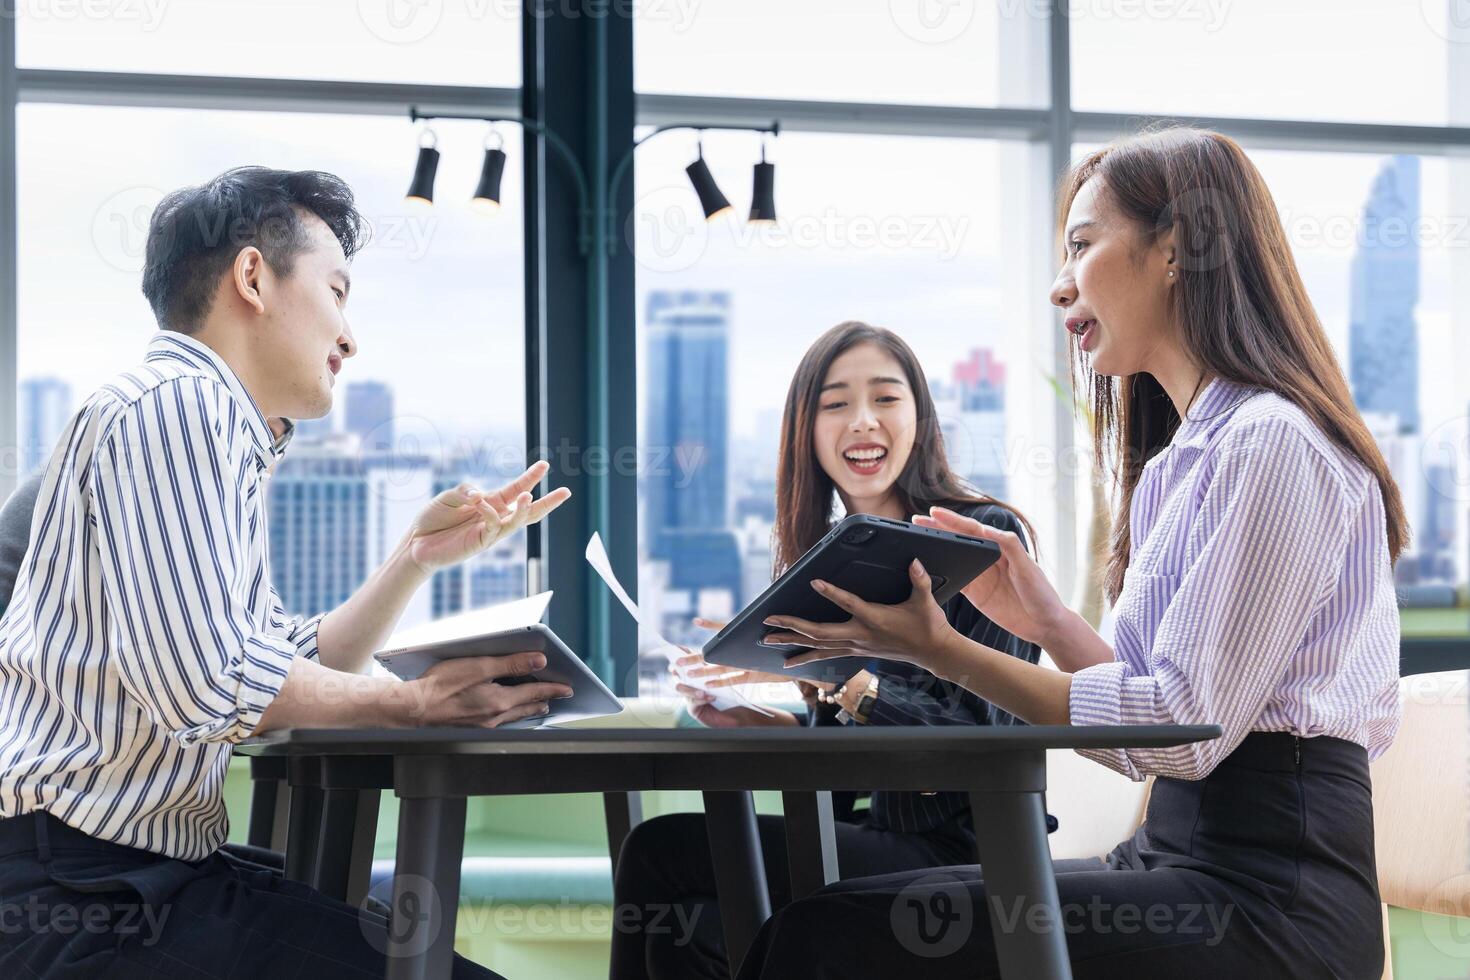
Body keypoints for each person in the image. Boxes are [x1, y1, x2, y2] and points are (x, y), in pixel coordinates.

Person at [733, 127, 1405, 979]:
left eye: (1082, 247)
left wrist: (942, 650)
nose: (1058, 287)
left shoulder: (1273, 443)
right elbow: (1149, 722)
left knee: (823, 935)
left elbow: (1181, 736)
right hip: (1182, 863)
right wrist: (1043, 614)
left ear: (1178, 249)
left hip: (1272, 897)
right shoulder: (1182, 464)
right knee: (821, 921)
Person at [0, 167, 573, 978]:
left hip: (125, 882)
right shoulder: (178, 408)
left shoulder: (207, 423)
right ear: (251, 278)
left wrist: (411, 559)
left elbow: (285, 665)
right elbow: (210, 685)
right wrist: (410, 703)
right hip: (85, 897)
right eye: (337, 291)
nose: (349, 335)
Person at [610, 321, 1043, 979]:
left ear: (920, 419)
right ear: (806, 433)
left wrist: (843, 671)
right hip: (878, 838)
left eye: (886, 399)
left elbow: (976, 747)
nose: (863, 421)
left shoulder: (981, 537)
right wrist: (772, 725)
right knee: (680, 918)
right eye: (836, 404)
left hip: (968, 852)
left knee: (661, 853)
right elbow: (846, 783)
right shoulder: (831, 562)